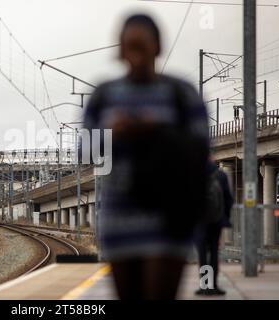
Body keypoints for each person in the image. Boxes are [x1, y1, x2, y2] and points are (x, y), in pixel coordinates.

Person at [82, 14, 210, 299]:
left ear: (157, 47)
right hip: (119, 222)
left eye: (142, 47)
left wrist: (158, 129)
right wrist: (112, 132)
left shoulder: (181, 94)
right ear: (120, 49)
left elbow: (201, 147)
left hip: (169, 219)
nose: (136, 56)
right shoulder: (103, 96)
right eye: (130, 47)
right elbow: (84, 152)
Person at [195, 162, 233, 296]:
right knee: (214, 253)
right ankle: (214, 286)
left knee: (203, 254)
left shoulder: (194, 174)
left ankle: (205, 287)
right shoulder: (221, 175)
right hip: (216, 221)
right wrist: (224, 218)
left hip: (199, 222)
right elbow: (228, 199)